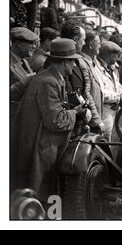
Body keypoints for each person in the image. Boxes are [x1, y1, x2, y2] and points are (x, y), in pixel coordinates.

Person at [11, 39, 87, 201]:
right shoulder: (49, 82)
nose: (74, 66)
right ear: (65, 62)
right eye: (73, 61)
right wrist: (75, 112)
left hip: (40, 143)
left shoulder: (51, 77)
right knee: (40, 195)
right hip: (40, 148)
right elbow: (55, 120)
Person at [95, 41, 122, 140]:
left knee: (115, 141)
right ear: (109, 54)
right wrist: (119, 97)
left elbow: (118, 85)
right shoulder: (97, 68)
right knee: (107, 141)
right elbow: (100, 92)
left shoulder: (111, 69)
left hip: (115, 111)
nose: (117, 57)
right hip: (105, 112)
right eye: (116, 54)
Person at [80, 30, 105, 133]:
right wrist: (96, 119)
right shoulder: (83, 63)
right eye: (98, 43)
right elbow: (87, 93)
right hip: (90, 121)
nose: (100, 46)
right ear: (90, 45)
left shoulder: (92, 61)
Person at [10, 27, 38, 105]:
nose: (34, 47)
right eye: (31, 43)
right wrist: (23, 82)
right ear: (18, 44)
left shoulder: (25, 61)